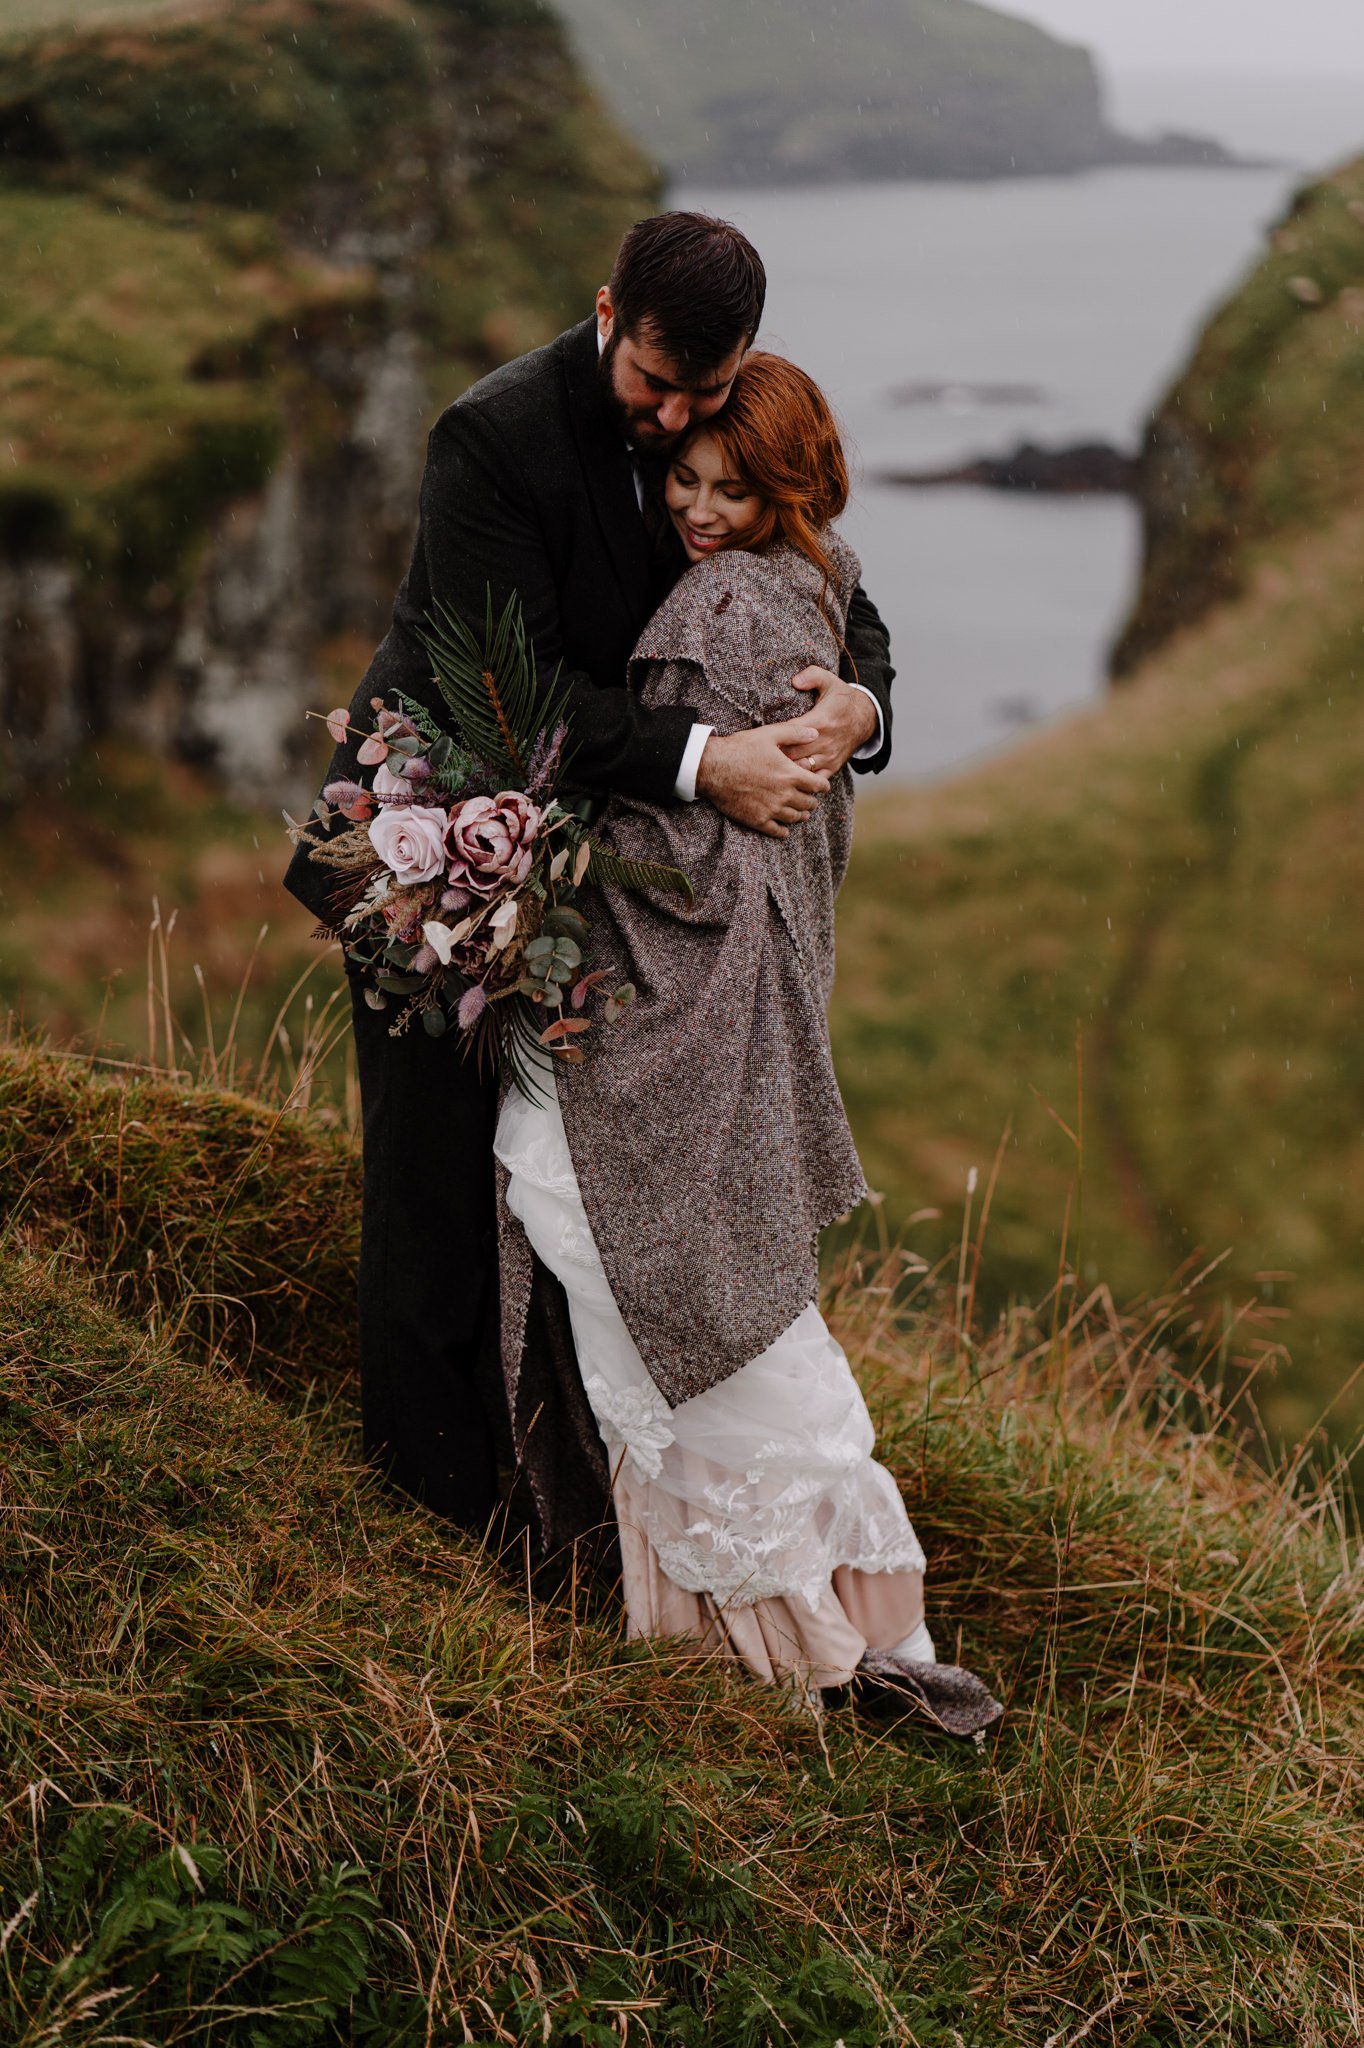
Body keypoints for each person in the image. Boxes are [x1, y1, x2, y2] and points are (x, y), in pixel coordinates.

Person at [284, 213, 897, 1533]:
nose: (677, 420)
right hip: (435, 847)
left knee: (563, 1197)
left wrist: (860, 711)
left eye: (708, 392)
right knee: (439, 1190)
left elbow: (836, 586)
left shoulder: (721, 424)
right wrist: (709, 762)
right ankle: (430, 1521)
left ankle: (579, 1518)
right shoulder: (491, 438)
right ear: (607, 309)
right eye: (655, 385)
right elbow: (506, 699)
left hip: (596, 881)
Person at [494, 355, 1001, 1730]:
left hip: (662, 1008)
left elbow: (681, 823)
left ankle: (782, 1654)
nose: (701, 509)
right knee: (718, 1296)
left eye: (735, 487)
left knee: (620, 1247)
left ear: (790, 490)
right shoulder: (814, 579)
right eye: (688, 481)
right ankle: (843, 1631)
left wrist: (549, 887)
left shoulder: (716, 605)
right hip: (744, 1010)